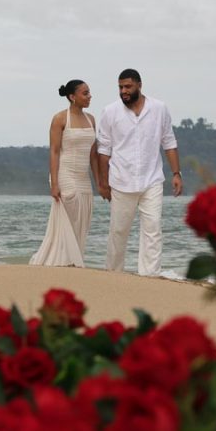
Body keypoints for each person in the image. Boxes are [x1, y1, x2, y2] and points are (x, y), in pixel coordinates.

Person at [96, 69, 182, 276]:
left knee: (153, 229)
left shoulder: (159, 108)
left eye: (127, 87)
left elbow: (168, 142)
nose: (123, 91)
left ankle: (150, 275)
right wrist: (103, 182)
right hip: (121, 180)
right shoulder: (110, 111)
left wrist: (176, 173)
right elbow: (104, 150)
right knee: (118, 231)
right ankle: (113, 273)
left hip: (151, 179)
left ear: (139, 85)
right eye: (120, 87)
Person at [29, 80, 99, 267]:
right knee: (70, 206)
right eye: (85, 93)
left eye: (89, 92)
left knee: (83, 214)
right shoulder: (60, 118)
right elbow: (54, 151)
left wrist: (100, 182)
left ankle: (73, 260)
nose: (89, 96)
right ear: (72, 97)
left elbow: (94, 155)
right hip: (65, 173)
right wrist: (54, 183)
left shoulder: (91, 119)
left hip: (84, 177)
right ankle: (61, 259)